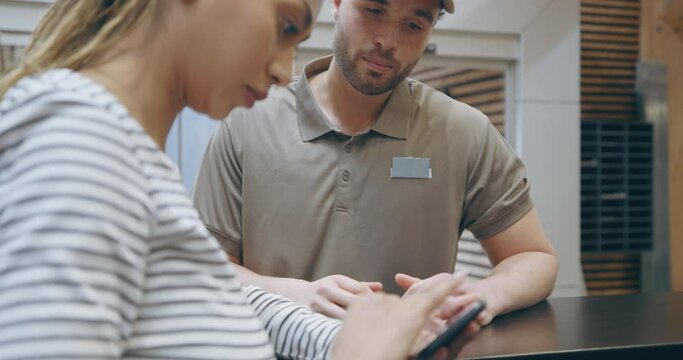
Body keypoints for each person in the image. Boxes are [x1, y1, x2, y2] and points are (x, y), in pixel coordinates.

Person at [0, 0, 480, 359]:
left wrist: (342, 338)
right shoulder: (82, 138)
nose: (281, 70)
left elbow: (208, 298)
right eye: (285, 27)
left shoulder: (118, 148)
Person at [192, 0, 559, 324]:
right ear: (336, 3)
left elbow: (534, 257)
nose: (388, 41)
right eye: (374, 10)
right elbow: (202, 270)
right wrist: (288, 295)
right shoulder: (248, 120)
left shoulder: (463, 131)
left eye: (413, 24)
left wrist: (481, 296)